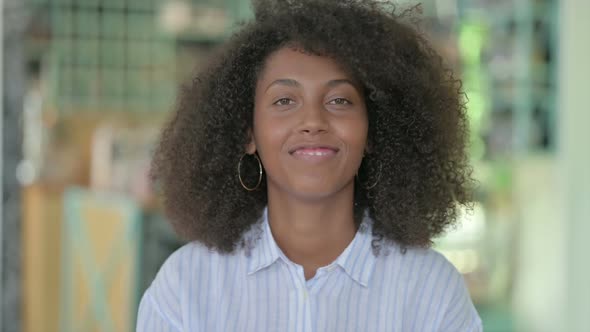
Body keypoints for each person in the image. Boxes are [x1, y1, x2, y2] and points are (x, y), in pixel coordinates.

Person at [136, 0, 482, 331]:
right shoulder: (186, 286)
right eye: (285, 100)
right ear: (248, 133)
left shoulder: (432, 291)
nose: (313, 121)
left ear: (374, 132)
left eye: (339, 100)